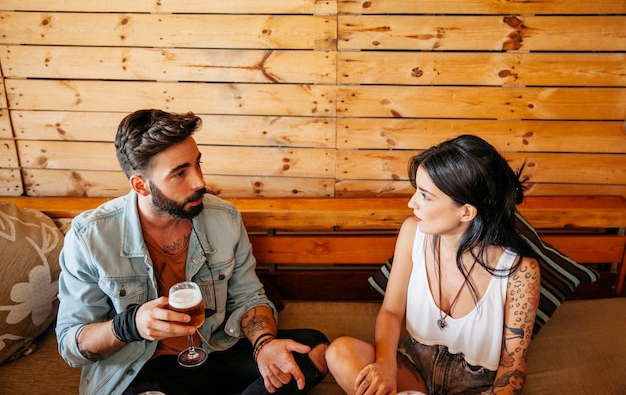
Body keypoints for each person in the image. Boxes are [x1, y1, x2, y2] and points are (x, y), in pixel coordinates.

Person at [56, 109, 329, 395]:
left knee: (315, 349)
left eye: (197, 164)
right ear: (141, 185)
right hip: (140, 369)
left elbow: (249, 297)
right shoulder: (90, 237)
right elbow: (71, 345)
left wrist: (264, 345)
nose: (199, 181)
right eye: (179, 173)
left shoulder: (223, 217)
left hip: (214, 352)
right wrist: (130, 325)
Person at [325, 134, 541, 395]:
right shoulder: (412, 232)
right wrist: (385, 364)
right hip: (413, 366)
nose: (411, 202)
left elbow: (513, 364)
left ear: (466, 212)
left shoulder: (520, 272)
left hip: (474, 386)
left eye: (425, 196)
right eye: (417, 190)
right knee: (340, 352)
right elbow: (392, 312)